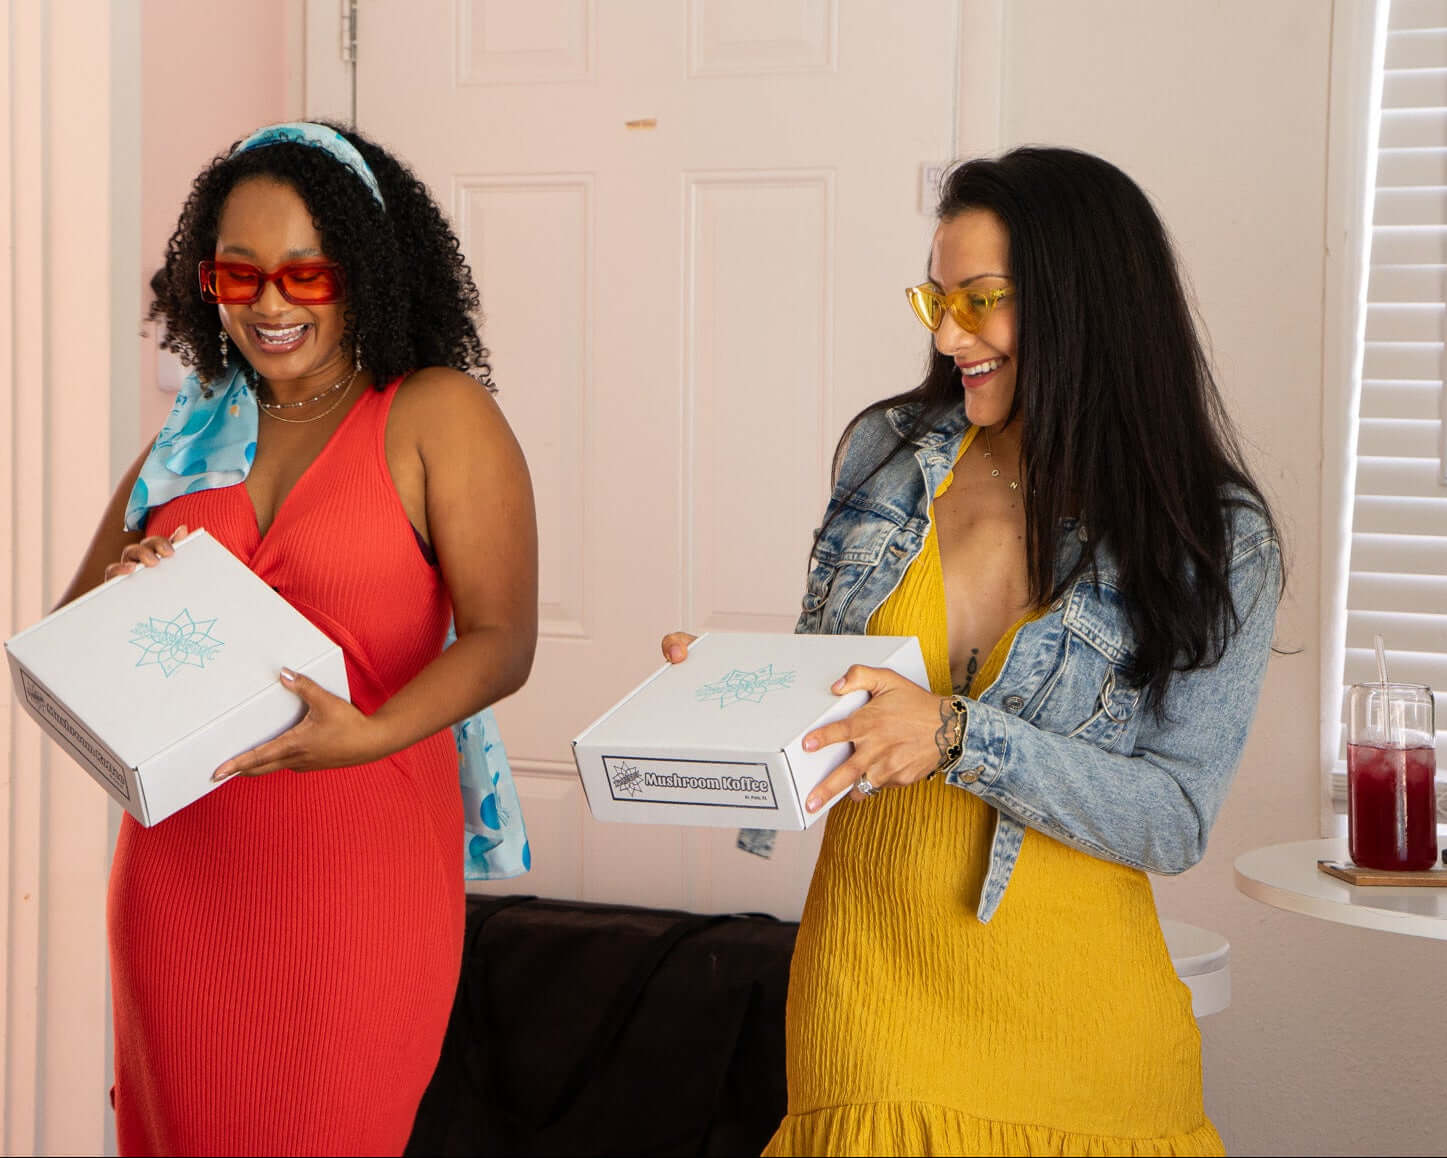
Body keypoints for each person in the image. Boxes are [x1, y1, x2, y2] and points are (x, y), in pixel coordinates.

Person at [662, 147, 1282, 1156]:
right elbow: (842, 707)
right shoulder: (888, 454)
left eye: (980, 300)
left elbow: (1173, 817)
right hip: (869, 991)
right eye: (936, 299)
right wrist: (729, 690)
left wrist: (960, 737)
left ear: (1086, 304)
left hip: (1081, 1022)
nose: (949, 335)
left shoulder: (1208, 534)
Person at [58, 122, 538, 1155]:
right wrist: (119, 593)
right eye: (239, 273)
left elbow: (503, 640)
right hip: (179, 875)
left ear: (363, 270)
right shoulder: (186, 437)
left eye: (304, 274)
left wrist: (369, 733)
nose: (268, 304)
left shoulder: (433, 415)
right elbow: (70, 637)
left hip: (357, 871)